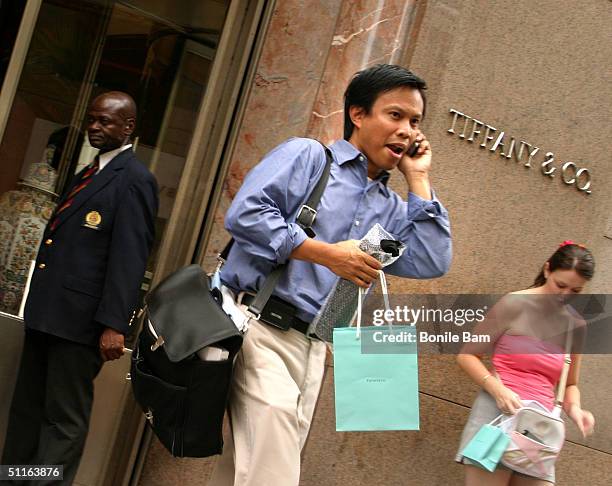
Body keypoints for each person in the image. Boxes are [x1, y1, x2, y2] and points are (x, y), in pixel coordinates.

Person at [208, 64, 452, 486]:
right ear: (358, 115)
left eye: (415, 122)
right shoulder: (310, 159)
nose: (408, 131)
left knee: (244, 471)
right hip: (260, 328)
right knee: (273, 474)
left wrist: (419, 177)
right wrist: (324, 254)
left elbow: (432, 259)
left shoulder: (391, 209)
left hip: (316, 349)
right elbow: (245, 214)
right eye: (395, 116)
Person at [1, 91, 158, 485]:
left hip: (80, 326)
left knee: (62, 422)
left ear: (128, 127)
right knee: (27, 413)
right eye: (92, 119)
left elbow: (129, 258)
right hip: (46, 316)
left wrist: (114, 325)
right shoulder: (88, 173)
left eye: (105, 121)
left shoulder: (135, 180)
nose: (95, 127)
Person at [456, 242, 596, 485]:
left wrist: (575, 410)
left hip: (539, 428)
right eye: (560, 285)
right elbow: (467, 355)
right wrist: (497, 389)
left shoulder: (576, 325)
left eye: (575, 291)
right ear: (547, 270)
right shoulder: (513, 304)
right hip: (497, 416)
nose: (565, 296)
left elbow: (570, 383)